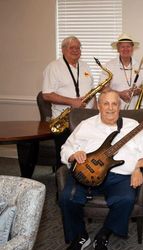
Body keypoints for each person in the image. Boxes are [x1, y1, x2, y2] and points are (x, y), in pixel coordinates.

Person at [58, 90, 143, 250]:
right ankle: (81, 235)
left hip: (119, 176)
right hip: (87, 174)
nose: (110, 108)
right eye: (106, 103)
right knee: (67, 197)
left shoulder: (132, 125)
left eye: (114, 104)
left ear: (120, 106)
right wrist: (74, 155)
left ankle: (103, 235)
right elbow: (66, 148)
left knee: (126, 199)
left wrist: (139, 168)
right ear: (99, 106)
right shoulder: (86, 125)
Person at [42, 36, 95, 168]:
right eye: (72, 47)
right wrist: (72, 102)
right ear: (63, 49)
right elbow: (47, 94)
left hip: (85, 118)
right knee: (65, 156)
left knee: (86, 154)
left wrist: (96, 110)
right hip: (64, 120)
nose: (76, 50)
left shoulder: (85, 65)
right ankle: (63, 184)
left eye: (78, 47)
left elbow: (92, 90)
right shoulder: (53, 67)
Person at [100, 33, 143, 109]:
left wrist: (137, 91)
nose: (125, 49)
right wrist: (119, 94)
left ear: (132, 48)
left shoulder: (140, 66)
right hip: (113, 109)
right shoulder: (108, 66)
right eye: (122, 47)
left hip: (134, 109)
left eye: (128, 46)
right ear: (118, 49)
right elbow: (102, 88)